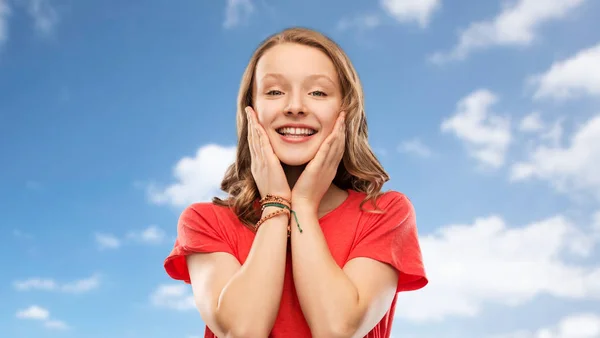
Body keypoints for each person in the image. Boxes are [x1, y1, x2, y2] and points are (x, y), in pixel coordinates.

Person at [163, 27, 428, 338]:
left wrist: (302, 204)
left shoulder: (384, 213)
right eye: (275, 92)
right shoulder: (206, 222)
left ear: (346, 110)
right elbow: (242, 332)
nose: (295, 107)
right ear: (252, 110)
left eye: (318, 92)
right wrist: (277, 200)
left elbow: (337, 329)